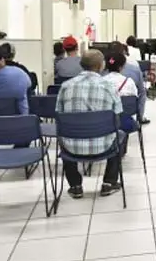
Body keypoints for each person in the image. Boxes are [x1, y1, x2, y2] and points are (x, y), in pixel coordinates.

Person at [56, 50, 124, 198]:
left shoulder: (66, 86)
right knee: (120, 135)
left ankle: (75, 185)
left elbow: (59, 116)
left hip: (71, 146)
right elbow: (117, 117)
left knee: (63, 135)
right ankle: (109, 182)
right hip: (103, 145)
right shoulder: (109, 86)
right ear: (101, 65)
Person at [109, 42, 149, 124]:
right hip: (129, 108)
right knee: (143, 92)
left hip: (108, 111)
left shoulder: (102, 68)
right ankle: (140, 117)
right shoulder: (134, 66)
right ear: (123, 52)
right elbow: (141, 91)